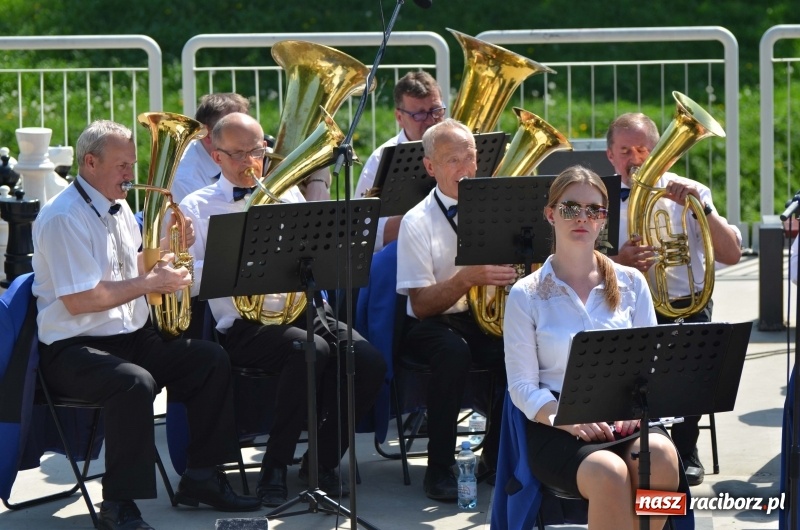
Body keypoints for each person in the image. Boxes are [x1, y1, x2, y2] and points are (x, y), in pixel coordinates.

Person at [31, 120, 261, 530]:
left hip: (128, 337)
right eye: (123, 165)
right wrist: (149, 283)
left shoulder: (115, 208)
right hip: (73, 348)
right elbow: (81, 299)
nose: (131, 175)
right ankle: (119, 506)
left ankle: (202, 477)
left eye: (132, 164)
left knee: (208, 358)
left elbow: (127, 268)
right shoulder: (63, 217)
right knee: (133, 383)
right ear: (90, 162)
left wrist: (173, 249)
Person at [179, 112, 387, 507]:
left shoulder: (288, 195)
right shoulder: (197, 206)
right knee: (308, 352)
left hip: (302, 310)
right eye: (238, 154)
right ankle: (274, 465)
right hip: (243, 325)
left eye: (256, 151)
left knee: (368, 360)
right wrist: (239, 265)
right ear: (216, 156)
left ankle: (321, 460)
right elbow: (186, 277)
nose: (249, 162)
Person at [503, 165, 680, 530]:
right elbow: (521, 386)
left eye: (594, 210)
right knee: (609, 472)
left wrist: (635, 405)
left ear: (604, 220)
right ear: (551, 214)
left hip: (626, 416)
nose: (582, 218)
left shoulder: (632, 282)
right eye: (570, 208)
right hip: (557, 426)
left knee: (663, 456)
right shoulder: (526, 293)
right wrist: (565, 419)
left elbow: (650, 364)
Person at [606, 112, 743, 486]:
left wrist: (703, 210)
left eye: (643, 150)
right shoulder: (597, 198)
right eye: (625, 150)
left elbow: (731, 254)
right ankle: (630, 441)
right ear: (610, 156)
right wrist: (619, 260)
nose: (634, 158)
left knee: (691, 353)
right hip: (623, 307)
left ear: (660, 155)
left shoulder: (690, 190)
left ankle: (685, 447)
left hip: (684, 306)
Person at [396, 118, 510, 501]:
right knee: (452, 352)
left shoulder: (499, 209)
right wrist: (467, 279)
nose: (465, 169)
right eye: (452, 161)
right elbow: (420, 304)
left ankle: (496, 457)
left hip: (481, 318)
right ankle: (439, 468)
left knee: (523, 350)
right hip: (432, 324)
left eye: (470, 158)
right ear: (430, 167)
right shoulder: (416, 221)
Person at [354, 70, 446, 252]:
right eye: (419, 115)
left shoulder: (460, 144)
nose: (430, 121)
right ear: (399, 118)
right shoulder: (381, 159)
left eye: (436, 111)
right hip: (400, 254)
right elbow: (361, 228)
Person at [170, 92, 250, 205]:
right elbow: (213, 220)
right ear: (208, 134)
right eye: (235, 132)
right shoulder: (185, 178)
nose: (247, 138)